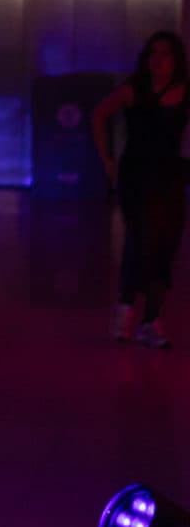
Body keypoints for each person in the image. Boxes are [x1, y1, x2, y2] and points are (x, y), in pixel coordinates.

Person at [93, 30, 188, 349]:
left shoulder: (184, 91)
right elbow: (99, 114)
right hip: (138, 175)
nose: (158, 60)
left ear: (176, 59)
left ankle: (150, 320)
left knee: (165, 245)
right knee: (141, 242)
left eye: (165, 54)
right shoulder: (134, 89)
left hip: (170, 176)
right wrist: (107, 159)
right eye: (153, 53)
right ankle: (126, 311)